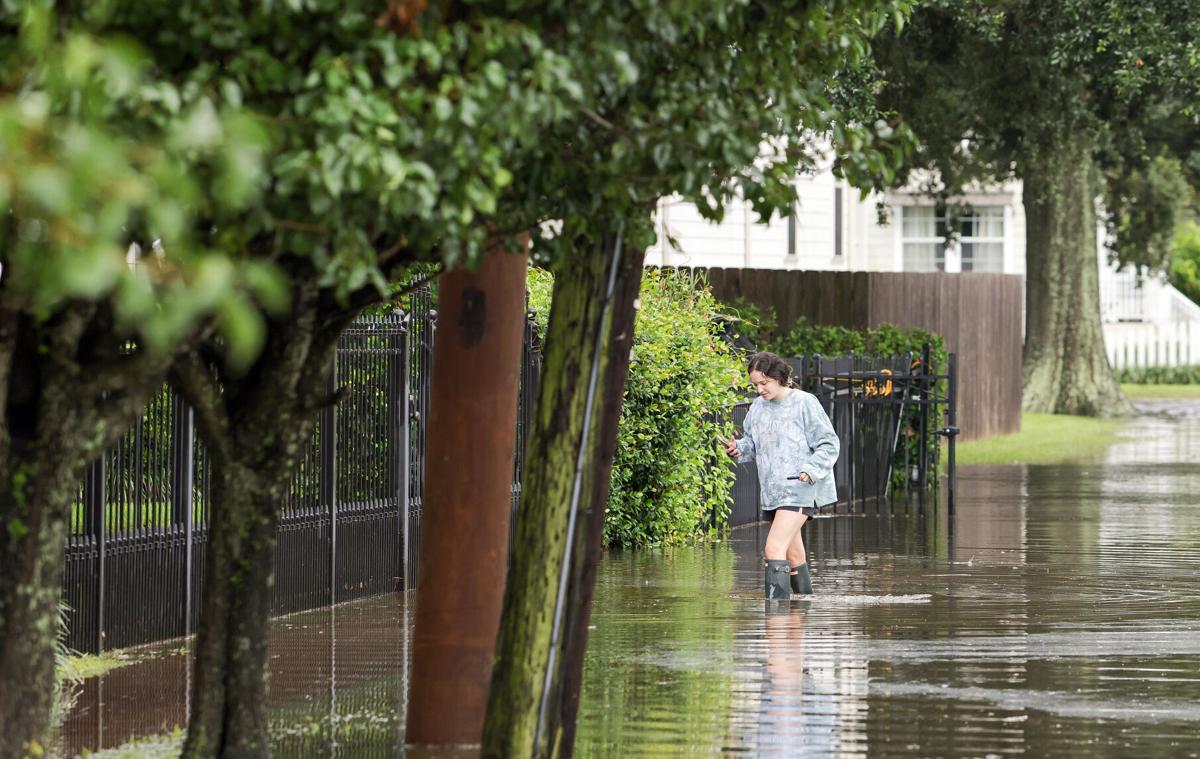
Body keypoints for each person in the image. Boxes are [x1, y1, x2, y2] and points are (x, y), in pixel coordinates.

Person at [720, 351, 840, 599]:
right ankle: (803, 611)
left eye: (764, 383)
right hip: (772, 492)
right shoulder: (757, 407)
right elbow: (751, 443)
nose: (760, 390)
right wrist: (737, 448)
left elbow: (829, 443)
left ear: (779, 377)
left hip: (799, 489)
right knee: (794, 556)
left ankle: (776, 615)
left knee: (773, 549)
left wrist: (811, 470)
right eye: (755, 385)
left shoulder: (804, 402)